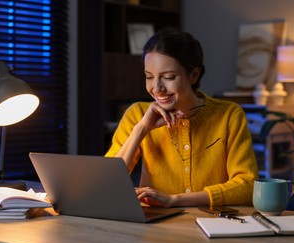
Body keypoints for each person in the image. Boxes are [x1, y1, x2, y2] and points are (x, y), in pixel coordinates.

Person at [105, 27, 258, 208]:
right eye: (149, 77)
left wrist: (175, 200)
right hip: (156, 226)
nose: (157, 88)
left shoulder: (229, 115)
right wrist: (141, 129)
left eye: (168, 77)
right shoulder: (138, 114)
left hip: (214, 223)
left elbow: (247, 186)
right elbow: (106, 184)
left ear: (194, 75)